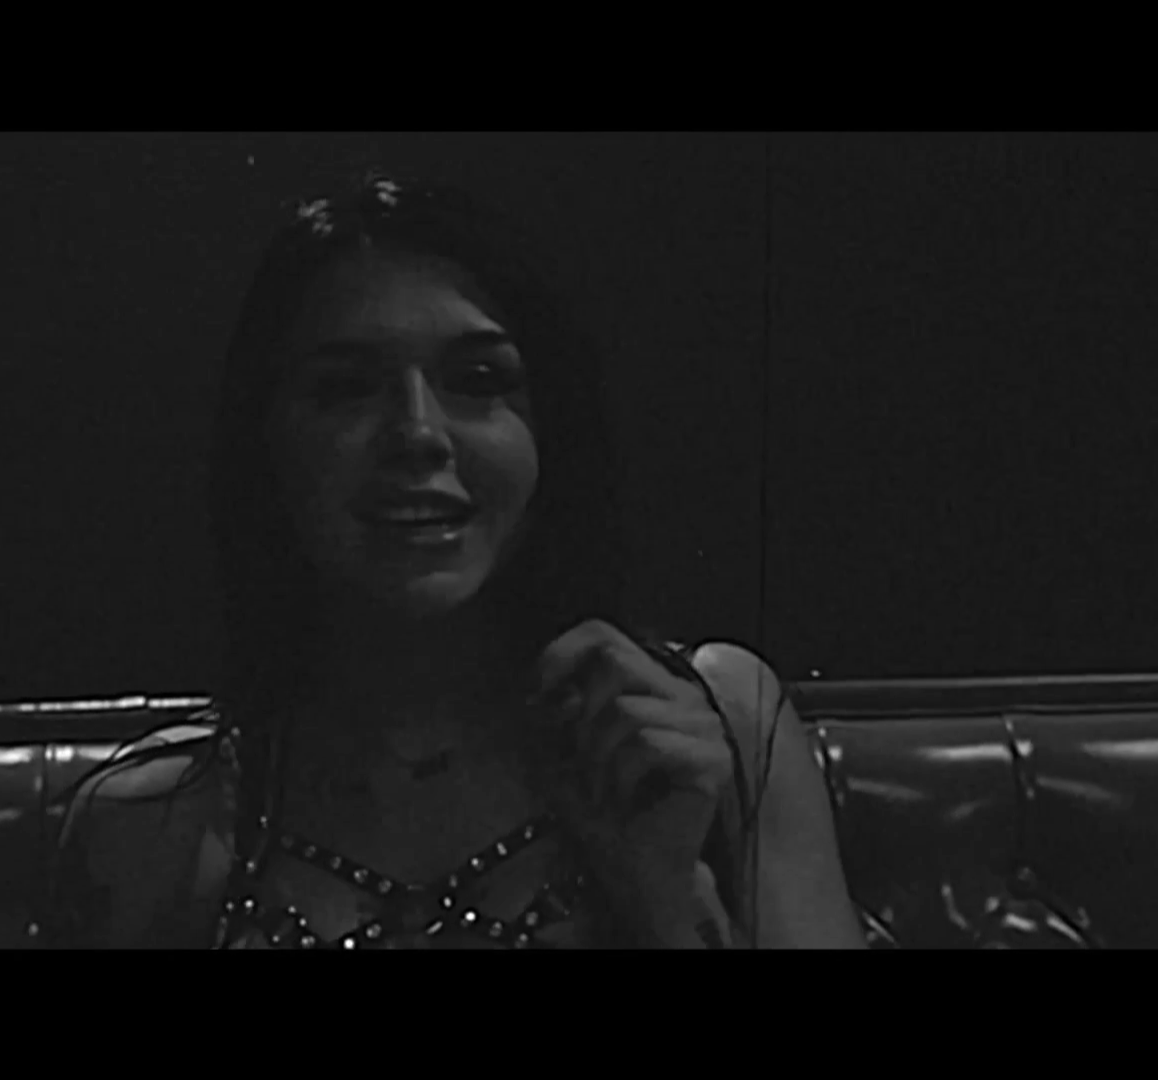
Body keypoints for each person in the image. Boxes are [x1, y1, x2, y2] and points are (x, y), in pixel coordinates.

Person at [53, 170, 862, 948]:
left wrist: (666, 897)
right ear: (264, 446)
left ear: (549, 430)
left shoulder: (716, 727)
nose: (417, 433)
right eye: (346, 388)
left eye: (476, 379)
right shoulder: (155, 826)